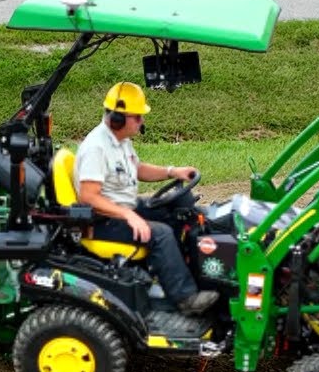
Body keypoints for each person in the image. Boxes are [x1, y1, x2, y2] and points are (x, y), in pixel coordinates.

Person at [74, 81, 219, 316]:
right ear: (118, 119)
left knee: (179, 210)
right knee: (160, 233)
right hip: (101, 221)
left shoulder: (120, 141)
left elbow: (137, 169)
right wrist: (129, 215)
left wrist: (172, 171)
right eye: (138, 117)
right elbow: (88, 196)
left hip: (122, 208)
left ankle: (181, 276)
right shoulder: (96, 148)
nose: (142, 122)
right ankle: (185, 298)